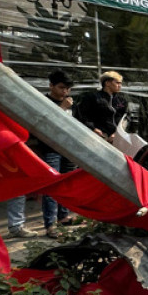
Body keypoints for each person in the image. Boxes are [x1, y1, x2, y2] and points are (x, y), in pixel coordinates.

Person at [28, 70, 79, 237]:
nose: (65, 92)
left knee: (66, 184)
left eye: (68, 89)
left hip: (68, 148)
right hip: (50, 148)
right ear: (51, 86)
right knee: (52, 186)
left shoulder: (71, 103)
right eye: (61, 88)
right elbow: (40, 125)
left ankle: (62, 216)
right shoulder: (42, 101)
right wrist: (60, 109)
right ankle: (50, 225)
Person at [76, 71, 127, 143]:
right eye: (117, 83)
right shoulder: (92, 97)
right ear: (107, 83)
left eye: (120, 83)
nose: (120, 85)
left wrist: (117, 134)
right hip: (97, 137)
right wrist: (93, 129)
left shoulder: (121, 100)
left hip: (117, 137)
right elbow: (81, 116)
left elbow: (125, 118)